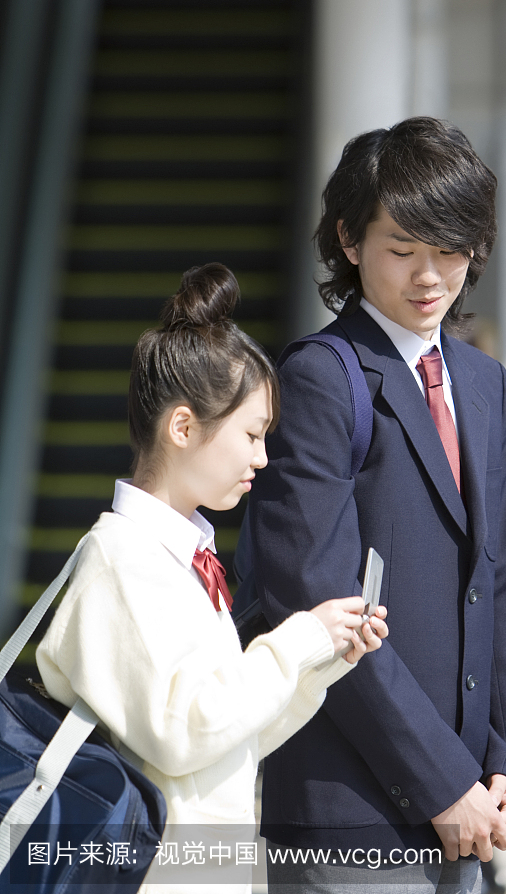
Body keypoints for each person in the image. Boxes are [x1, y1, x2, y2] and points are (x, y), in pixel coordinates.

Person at [247, 117, 506, 893]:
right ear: (349, 242)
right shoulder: (319, 378)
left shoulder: (485, 386)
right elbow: (317, 602)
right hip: (349, 814)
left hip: (471, 811)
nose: (430, 277)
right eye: (402, 249)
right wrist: (445, 782)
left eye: (450, 250)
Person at [36, 262, 388, 894]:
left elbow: (225, 740)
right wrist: (298, 640)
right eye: (252, 434)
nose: (262, 457)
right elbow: (184, 732)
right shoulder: (120, 561)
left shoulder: (181, 558)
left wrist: (324, 659)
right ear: (182, 427)